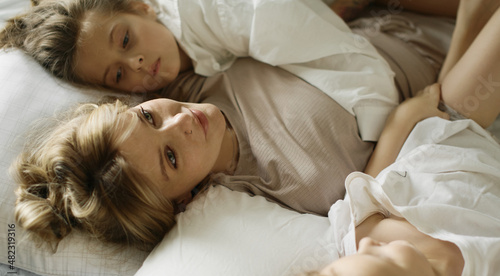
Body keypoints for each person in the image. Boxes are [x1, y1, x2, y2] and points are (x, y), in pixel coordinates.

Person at [280, 1, 500, 276]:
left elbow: (373, 175)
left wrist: (404, 116)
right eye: (379, 257)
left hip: (452, 122)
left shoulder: (361, 236)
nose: (365, 247)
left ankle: (466, 25)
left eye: (351, 259)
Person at [0, 0, 459, 141]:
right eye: (119, 75)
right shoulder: (171, 83)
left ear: (142, 7)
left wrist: (390, 141)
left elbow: (351, 64)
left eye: (126, 40)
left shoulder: (220, 10)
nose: (137, 64)